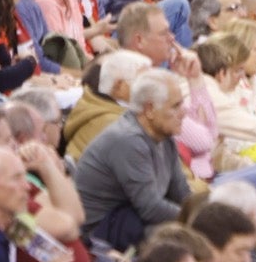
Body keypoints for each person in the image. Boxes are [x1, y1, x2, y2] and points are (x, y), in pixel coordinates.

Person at [73, 69, 192, 250]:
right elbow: (150, 208)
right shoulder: (128, 139)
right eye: (175, 106)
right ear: (150, 110)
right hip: (101, 233)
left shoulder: (164, 137)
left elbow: (182, 193)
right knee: (184, 240)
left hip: (131, 221)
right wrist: (196, 220)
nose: (183, 113)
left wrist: (203, 213)